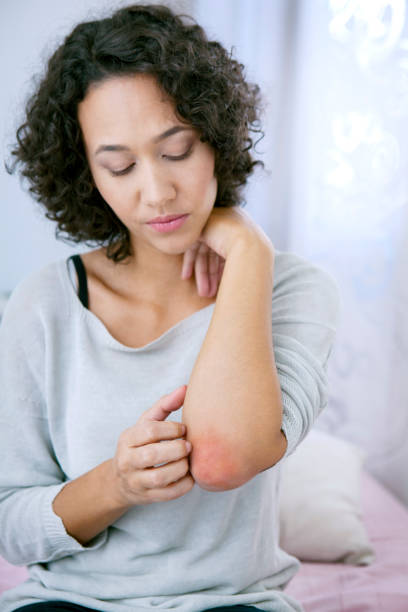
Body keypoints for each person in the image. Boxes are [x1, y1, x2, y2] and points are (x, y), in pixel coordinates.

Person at [0, 4, 340, 612]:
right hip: (69, 602)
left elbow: (224, 459)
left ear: (216, 140)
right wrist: (116, 483)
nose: (156, 193)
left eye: (177, 151)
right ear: (87, 173)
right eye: (120, 165)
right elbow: (11, 529)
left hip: (231, 605)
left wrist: (250, 251)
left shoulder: (293, 288)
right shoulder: (43, 304)